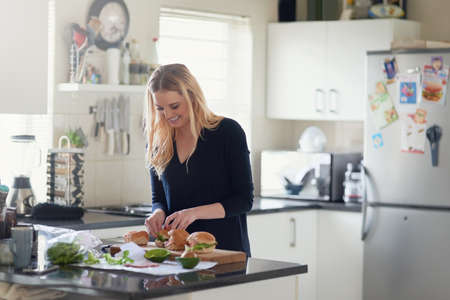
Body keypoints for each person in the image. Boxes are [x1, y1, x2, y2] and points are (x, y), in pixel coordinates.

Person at [144, 64, 253, 256]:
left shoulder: (228, 132)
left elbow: (243, 200)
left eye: (174, 106)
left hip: (224, 252)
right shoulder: (158, 141)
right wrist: (158, 213)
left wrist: (193, 213)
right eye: (160, 108)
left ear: (192, 97)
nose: (168, 115)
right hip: (177, 253)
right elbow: (159, 199)